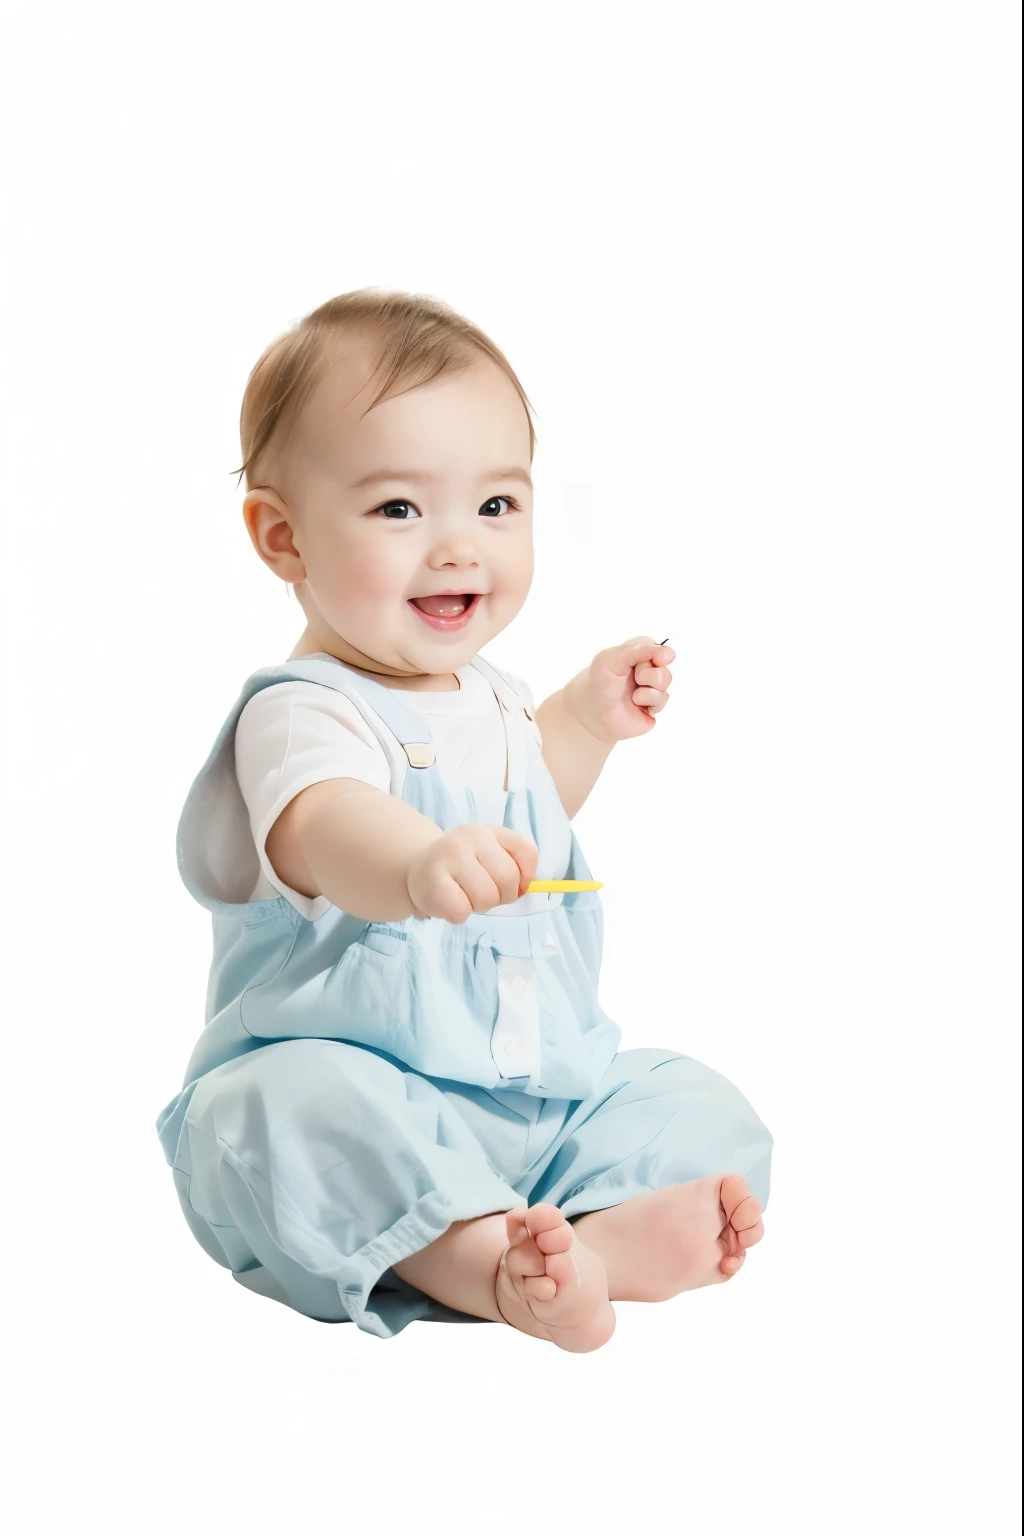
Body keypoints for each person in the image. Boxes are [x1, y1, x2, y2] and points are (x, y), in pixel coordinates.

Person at [155, 288, 772, 1352]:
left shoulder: (488, 695)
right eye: (399, 510)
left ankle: (590, 1245)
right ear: (282, 536)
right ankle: (483, 1264)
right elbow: (327, 825)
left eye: (495, 506)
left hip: (538, 1115)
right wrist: (414, 864)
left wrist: (581, 721)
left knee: (696, 1103)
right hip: (368, 1109)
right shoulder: (304, 714)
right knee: (275, 1107)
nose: (457, 548)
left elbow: (523, 815)